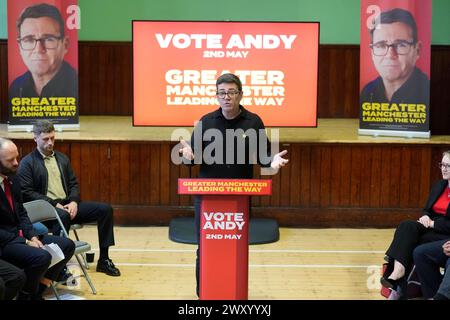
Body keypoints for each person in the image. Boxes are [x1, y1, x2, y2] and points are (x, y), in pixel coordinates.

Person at [179, 73, 289, 296]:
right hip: (207, 198)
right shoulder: (206, 121)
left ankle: (233, 293)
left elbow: (264, 155)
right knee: (205, 248)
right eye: (222, 93)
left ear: (240, 94)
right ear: (216, 96)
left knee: (235, 247)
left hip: (238, 198)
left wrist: (273, 161)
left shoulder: (253, 121)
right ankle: (205, 295)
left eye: (231, 92)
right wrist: (187, 155)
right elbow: (188, 156)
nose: (226, 97)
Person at [17, 120, 121, 277]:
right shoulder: (27, 163)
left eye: (52, 138)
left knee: (105, 210)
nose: (50, 142)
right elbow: (27, 192)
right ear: (35, 138)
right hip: (44, 212)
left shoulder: (62, 158)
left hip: (67, 206)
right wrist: (54, 204)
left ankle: (104, 260)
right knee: (63, 215)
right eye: (45, 139)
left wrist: (73, 201)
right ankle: (60, 267)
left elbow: (73, 184)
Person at [0, 138, 75, 300]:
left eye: (17, 158)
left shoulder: (12, 178)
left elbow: (21, 213)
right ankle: (26, 294)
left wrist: (32, 235)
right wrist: (27, 242)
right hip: (4, 242)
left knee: (67, 245)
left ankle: (37, 291)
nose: (16, 163)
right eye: (10, 160)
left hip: (19, 236)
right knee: (42, 256)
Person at [381, 150, 450, 297]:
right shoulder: (440, 185)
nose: (444, 168)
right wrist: (425, 216)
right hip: (431, 225)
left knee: (408, 245)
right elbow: (427, 209)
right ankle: (397, 271)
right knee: (406, 225)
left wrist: (432, 224)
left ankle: (395, 267)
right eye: (442, 164)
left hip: (445, 233)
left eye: (448, 166)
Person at [360, 8, 429, 104]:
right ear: (372, 52)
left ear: (417, 51)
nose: (390, 55)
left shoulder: (427, 91)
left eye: (400, 45)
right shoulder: (367, 92)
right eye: (381, 45)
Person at [8, 3, 77, 98]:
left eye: (48, 39)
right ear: (20, 47)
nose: (39, 49)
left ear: (65, 45)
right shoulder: (16, 87)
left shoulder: (76, 85)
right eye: (29, 40)